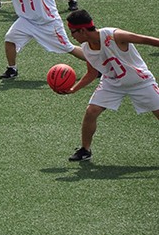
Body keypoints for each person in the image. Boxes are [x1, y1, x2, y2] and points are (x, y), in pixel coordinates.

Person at [62, 10, 159, 162]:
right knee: (91, 111)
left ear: (82, 30)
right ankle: (85, 150)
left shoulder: (113, 35)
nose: (72, 36)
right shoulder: (87, 48)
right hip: (112, 83)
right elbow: (92, 73)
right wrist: (74, 89)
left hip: (140, 81)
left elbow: (145, 40)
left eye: (72, 32)